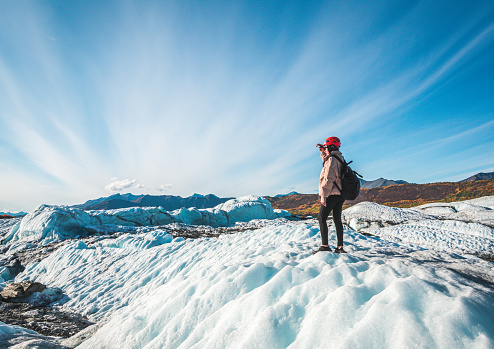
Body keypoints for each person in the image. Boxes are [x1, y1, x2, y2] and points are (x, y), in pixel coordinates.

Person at [314, 136, 346, 254]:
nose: (325, 149)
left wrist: (323, 195)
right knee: (337, 219)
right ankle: (339, 247)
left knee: (321, 218)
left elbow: (328, 179)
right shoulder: (339, 158)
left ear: (332, 147)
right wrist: (323, 152)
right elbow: (327, 161)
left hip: (332, 194)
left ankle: (325, 246)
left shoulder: (332, 159)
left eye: (327, 147)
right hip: (340, 195)